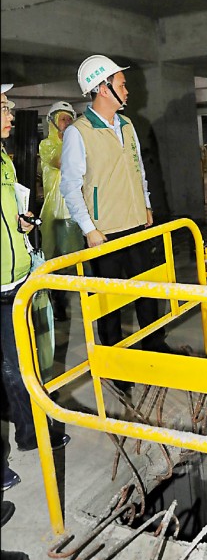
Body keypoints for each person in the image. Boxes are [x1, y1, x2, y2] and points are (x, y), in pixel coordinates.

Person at [60, 56, 177, 391]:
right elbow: (70, 185)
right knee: (109, 301)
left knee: (146, 291)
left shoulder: (127, 125)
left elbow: (138, 169)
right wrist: (89, 229)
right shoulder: (78, 133)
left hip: (137, 223)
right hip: (105, 232)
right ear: (102, 87)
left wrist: (147, 206)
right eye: (121, 83)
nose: (127, 89)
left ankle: (154, 346)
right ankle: (113, 364)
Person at [1, 84, 70, 464]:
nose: (11, 114)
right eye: (4, 107)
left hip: (14, 277)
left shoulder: (5, 158)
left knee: (18, 362)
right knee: (13, 364)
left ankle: (29, 435)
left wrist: (21, 223)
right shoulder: (45, 147)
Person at [39, 101, 84, 321]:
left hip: (74, 210)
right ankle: (58, 303)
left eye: (69, 119)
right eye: (62, 119)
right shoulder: (46, 145)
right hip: (55, 215)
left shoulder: (76, 143)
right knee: (55, 260)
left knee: (81, 258)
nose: (66, 123)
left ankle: (91, 298)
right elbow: (61, 161)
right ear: (53, 123)